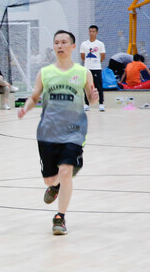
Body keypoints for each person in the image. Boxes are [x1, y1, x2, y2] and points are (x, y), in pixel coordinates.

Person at [17, 30, 99, 236]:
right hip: (48, 132)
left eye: (64, 42)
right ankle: (54, 186)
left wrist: (95, 97)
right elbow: (34, 97)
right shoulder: (45, 73)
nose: (60, 46)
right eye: (56, 42)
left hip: (74, 131)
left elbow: (92, 100)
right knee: (51, 179)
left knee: (65, 171)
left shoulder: (83, 73)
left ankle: (60, 217)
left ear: (73, 47)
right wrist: (26, 107)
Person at [80, 25, 106, 111]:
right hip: (87, 68)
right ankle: (86, 104)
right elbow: (82, 56)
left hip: (97, 68)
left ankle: (101, 104)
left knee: (98, 86)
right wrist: (88, 63)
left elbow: (102, 56)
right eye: (90, 31)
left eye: (93, 31)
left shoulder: (100, 44)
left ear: (96, 33)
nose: (91, 33)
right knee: (87, 86)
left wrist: (97, 62)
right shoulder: (84, 44)